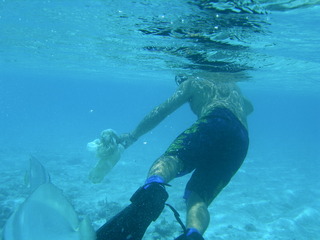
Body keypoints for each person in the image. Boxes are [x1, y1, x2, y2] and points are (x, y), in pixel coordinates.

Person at [96, 74, 254, 240]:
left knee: (172, 159)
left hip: (214, 122)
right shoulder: (232, 87)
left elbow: (162, 110)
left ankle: (153, 190)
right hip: (241, 139)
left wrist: (133, 135)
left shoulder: (194, 82)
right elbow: (249, 108)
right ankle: (193, 235)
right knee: (199, 197)